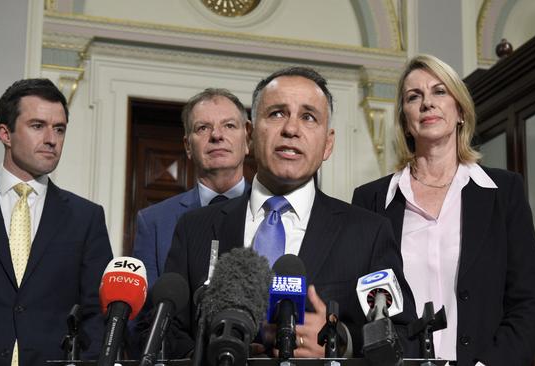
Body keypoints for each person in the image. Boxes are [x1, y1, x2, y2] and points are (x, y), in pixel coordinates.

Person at [161, 66, 417, 358]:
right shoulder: (196, 227)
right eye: (277, 113)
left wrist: (341, 341)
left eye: (308, 117)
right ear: (250, 133)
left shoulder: (368, 232)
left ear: (328, 144)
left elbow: (404, 335)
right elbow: (163, 332)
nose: (291, 129)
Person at [352, 54, 535, 365]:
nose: (427, 103)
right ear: (405, 120)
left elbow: (530, 303)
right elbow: (362, 306)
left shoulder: (504, 192)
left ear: (460, 110)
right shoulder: (372, 200)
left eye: (439, 91)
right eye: (413, 97)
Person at [0, 79, 114, 366]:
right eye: (38, 125)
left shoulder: (86, 217)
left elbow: (98, 314)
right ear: (5, 133)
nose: (52, 139)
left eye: (60, 129)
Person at [132, 88, 251, 288]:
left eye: (229, 125)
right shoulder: (154, 222)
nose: (217, 135)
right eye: (203, 128)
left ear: (247, 139)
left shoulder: (273, 211)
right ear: (188, 146)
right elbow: (146, 313)